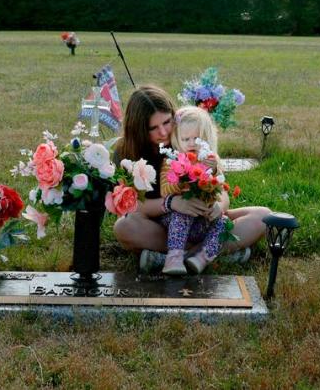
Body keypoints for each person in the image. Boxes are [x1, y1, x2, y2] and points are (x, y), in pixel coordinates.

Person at [112, 85, 271, 272]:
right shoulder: (126, 153)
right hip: (161, 226)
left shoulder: (186, 137)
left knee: (264, 217)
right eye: (153, 128)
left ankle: (171, 258)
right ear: (138, 129)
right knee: (124, 226)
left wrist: (219, 206)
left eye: (167, 122)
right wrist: (172, 203)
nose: (163, 132)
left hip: (203, 219)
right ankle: (211, 253)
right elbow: (131, 206)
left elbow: (218, 187)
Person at [159, 106, 227, 275]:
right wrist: (182, 178)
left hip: (202, 220)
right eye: (185, 138)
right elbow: (164, 190)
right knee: (183, 213)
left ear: (206, 139)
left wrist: (215, 173)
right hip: (176, 221)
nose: (191, 143)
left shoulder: (210, 161)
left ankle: (202, 257)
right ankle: (173, 258)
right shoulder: (171, 161)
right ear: (176, 139)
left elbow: (219, 189)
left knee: (224, 222)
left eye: (196, 138)